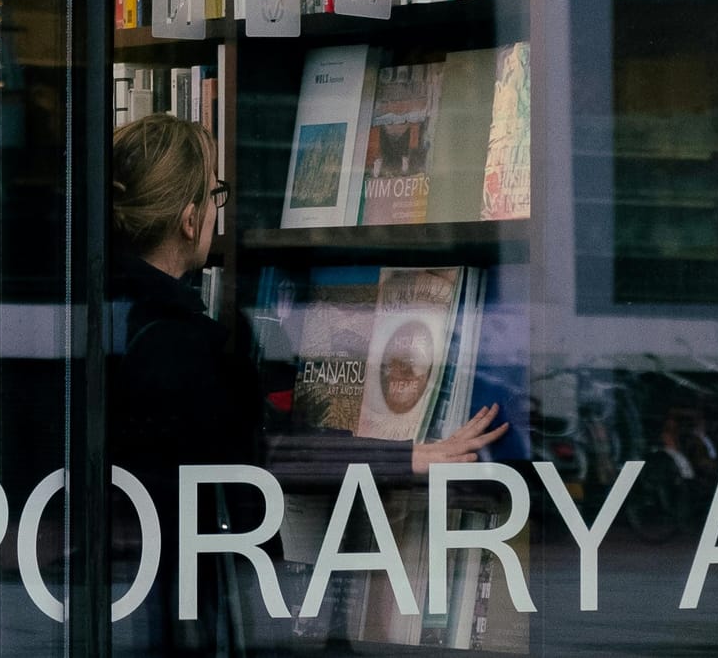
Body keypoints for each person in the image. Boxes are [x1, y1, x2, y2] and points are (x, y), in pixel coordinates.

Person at [106, 114, 505, 654]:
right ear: (189, 218)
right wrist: (411, 455)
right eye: (213, 196)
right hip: (184, 599)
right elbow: (267, 456)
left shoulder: (84, 319)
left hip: (112, 592)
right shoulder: (193, 347)